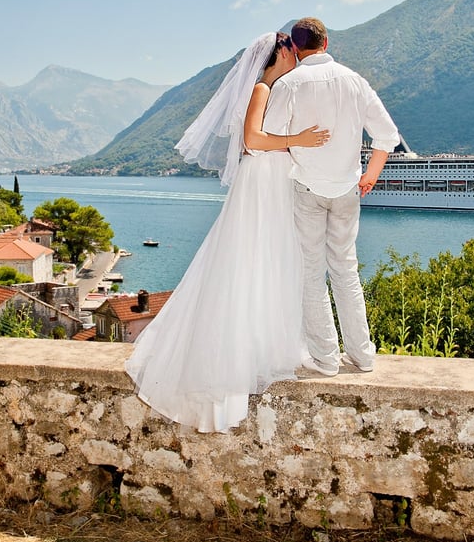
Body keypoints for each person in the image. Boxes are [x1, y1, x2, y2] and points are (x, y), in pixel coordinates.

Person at [125, 32, 329, 433]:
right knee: (249, 258)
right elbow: (253, 141)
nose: (297, 55)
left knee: (273, 261)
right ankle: (234, 359)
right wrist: (298, 141)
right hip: (260, 182)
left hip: (275, 180)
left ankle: (266, 349)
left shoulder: (280, 89)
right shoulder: (261, 88)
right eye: (292, 49)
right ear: (282, 52)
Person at [263, 17, 400, 377]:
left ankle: (325, 358)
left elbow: (271, 137)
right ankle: (363, 355)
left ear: (295, 48)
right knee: (346, 271)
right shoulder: (355, 81)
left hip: (307, 188)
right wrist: (370, 175)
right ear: (326, 43)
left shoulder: (289, 85)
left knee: (311, 273)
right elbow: (387, 136)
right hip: (347, 190)